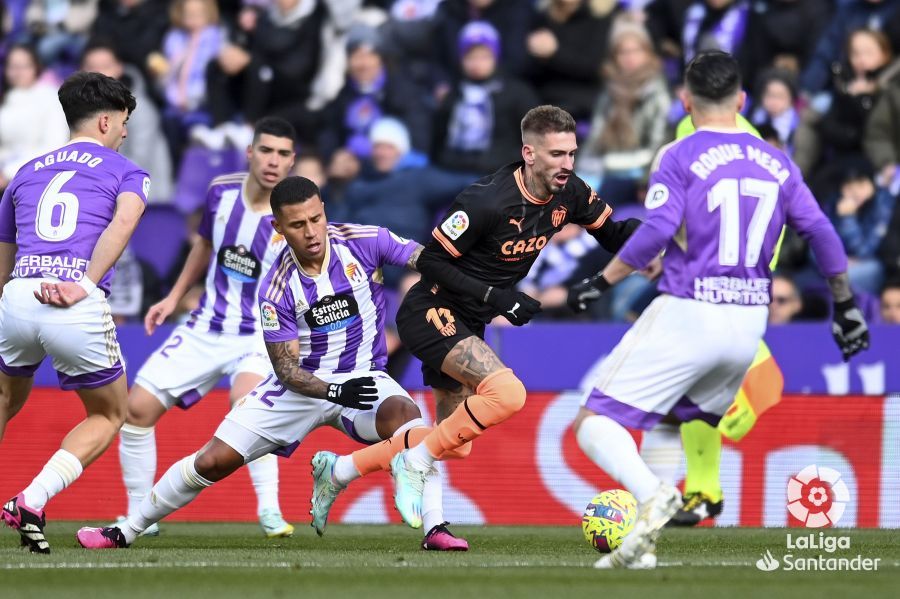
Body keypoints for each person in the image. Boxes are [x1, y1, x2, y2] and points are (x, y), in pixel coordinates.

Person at [567, 50, 869, 569]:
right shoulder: (778, 161)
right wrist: (844, 304)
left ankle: (653, 494)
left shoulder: (679, 154)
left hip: (692, 308)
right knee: (675, 418)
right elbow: (821, 231)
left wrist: (601, 280)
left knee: (593, 422)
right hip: (749, 321)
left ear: (686, 100)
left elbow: (658, 230)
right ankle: (643, 548)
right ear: (742, 100)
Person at [310, 105, 641, 542]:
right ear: (529, 153)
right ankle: (412, 462)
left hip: (470, 320)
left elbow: (614, 234)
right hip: (431, 310)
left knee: (456, 443)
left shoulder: (571, 192)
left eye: (572, 153)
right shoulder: (486, 200)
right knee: (508, 393)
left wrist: (665, 227)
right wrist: (497, 297)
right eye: (557, 154)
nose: (567, 164)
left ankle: (340, 470)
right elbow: (431, 261)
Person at [74, 176, 457, 550]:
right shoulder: (276, 286)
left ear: (324, 211)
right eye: (297, 225)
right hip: (301, 386)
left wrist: (469, 290)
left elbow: (428, 260)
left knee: (408, 419)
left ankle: (436, 526)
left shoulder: (365, 241)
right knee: (212, 461)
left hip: (363, 376)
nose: (311, 232)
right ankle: (126, 529)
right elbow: (286, 368)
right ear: (278, 228)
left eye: (315, 219)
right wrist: (335, 391)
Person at [115, 116, 297, 539]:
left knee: (248, 404)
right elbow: (204, 246)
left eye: (283, 153)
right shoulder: (221, 192)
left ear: (292, 161)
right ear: (250, 153)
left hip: (260, 334)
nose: (273, 160)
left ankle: (270, 510)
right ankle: (140, 512)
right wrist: (174, 296)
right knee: (136, 409)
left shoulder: (297, 210)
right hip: (206, 326)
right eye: (266, 150)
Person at [0, 71, 148, 553]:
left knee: (4, 399)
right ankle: (32, 498)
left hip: (19, 294)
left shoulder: (25, 172)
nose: (124, 132)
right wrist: (82, 284)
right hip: (73, 301)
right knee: (110, 413)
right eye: (123, 122)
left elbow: (5, 252)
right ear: (106, 122)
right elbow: (125, 219)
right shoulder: (127, 172)